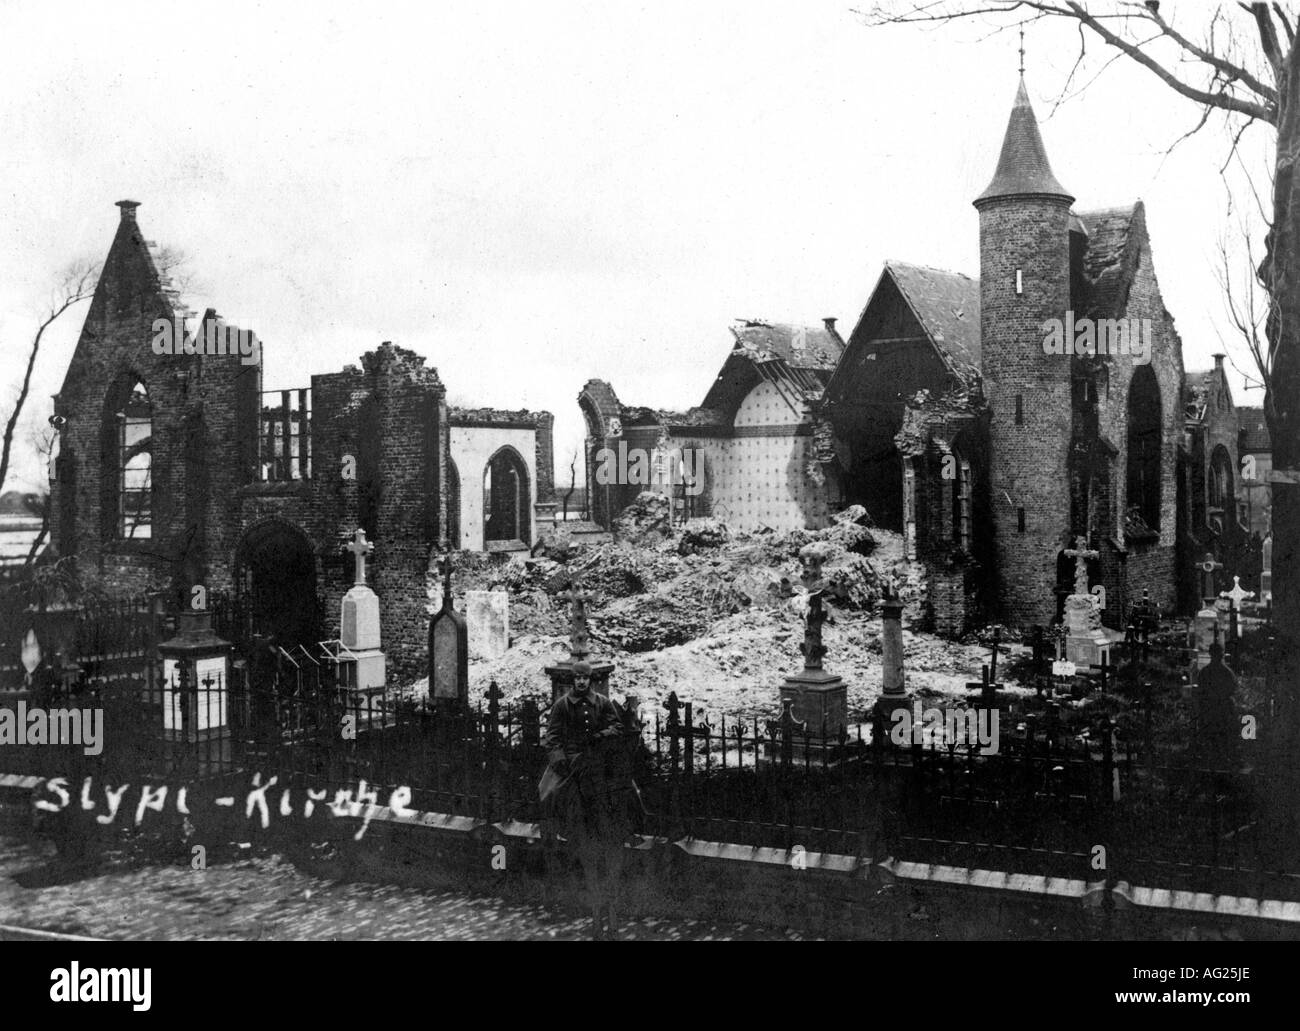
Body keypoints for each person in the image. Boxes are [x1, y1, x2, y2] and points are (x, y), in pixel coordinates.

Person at [541, 661, 633, 939]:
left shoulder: (602, 702)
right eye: (577, 678)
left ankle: (633, 826)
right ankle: (552, 830)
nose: (581, 682)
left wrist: (601, 735)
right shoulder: (561, 705)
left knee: (628, 789)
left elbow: (617, 727)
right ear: (573, 681)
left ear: (591, 680)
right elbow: (552, 738)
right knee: (549, 792)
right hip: (570, 761)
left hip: (597, 757)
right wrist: (561, 761)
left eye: (585, 678)